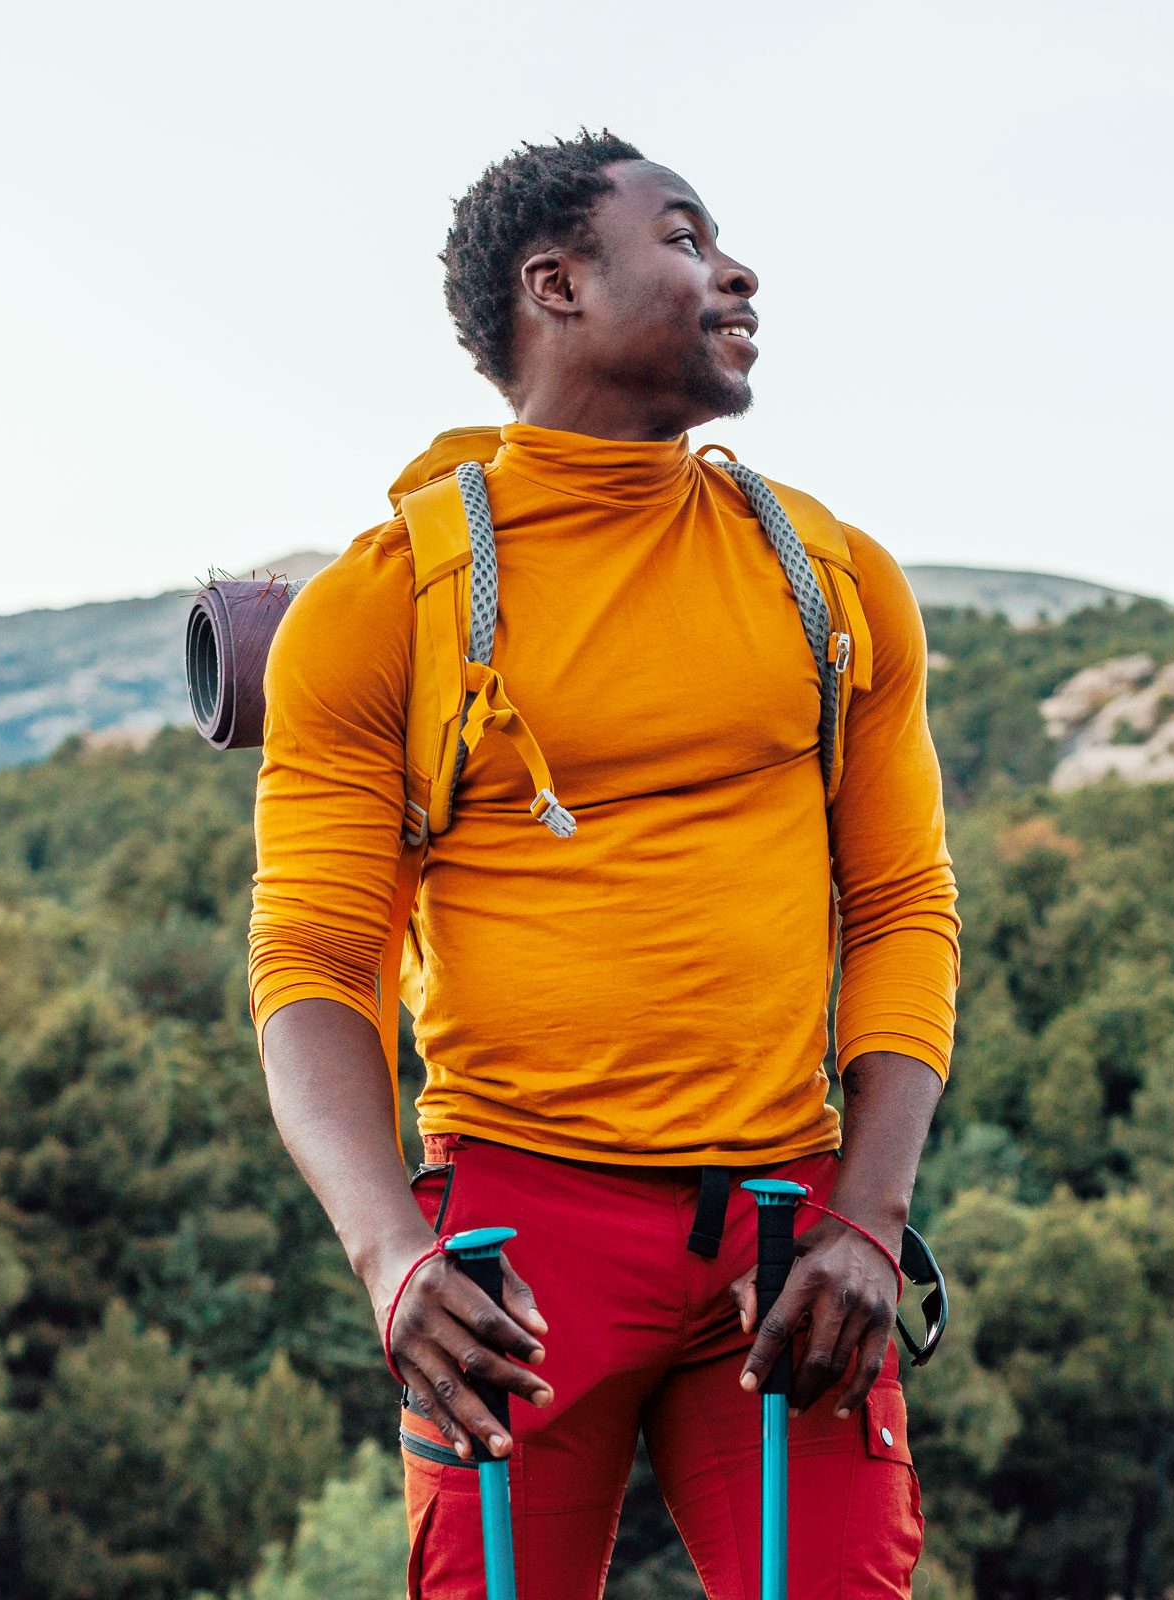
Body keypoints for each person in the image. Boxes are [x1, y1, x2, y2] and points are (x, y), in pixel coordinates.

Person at [248, 129, 959, 1598]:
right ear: (556, 284)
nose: (738, 269)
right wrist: (394, 1262)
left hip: (789, 1236)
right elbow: (314, 968)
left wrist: (867, 1224)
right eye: (689, 238)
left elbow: (900, 907)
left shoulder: (828, 578)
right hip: (512, 1252)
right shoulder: (387, 606)